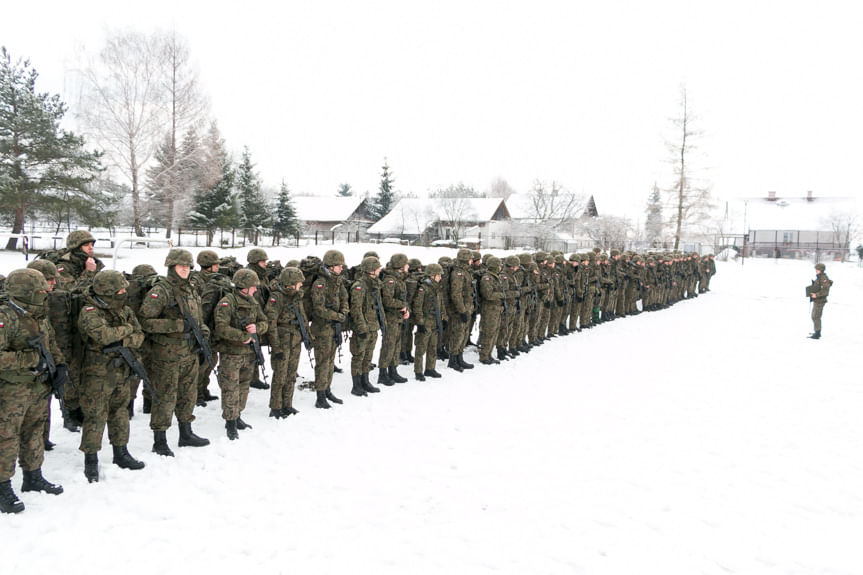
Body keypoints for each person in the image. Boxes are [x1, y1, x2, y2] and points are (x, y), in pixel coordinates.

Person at [0, 269, 67, 514]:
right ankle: (3, 486)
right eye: (40, 290)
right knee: (6, 437)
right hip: (12, 390)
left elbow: (50, 344)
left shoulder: (38, 315)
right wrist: (27, 358)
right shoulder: (5, 317)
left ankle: (33, 475)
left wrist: (59, 365)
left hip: (39, 385)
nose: (46, 293)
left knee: (35, 430)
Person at [138, 248, 210, 456]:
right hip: (167, 354)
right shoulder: (161, 291)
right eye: (181, 266)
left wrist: (203, 332)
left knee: (188, 394)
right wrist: (176, 326)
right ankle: (159, 440)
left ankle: (185, 433)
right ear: (171, 267)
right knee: (165, 396)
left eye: (188, 267)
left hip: (190, 350)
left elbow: (197, 319)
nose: (185, 270)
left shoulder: (191, 289)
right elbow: (145, 321)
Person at [77, 270, 147, 482]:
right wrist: (126, 331)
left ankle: (121, 452)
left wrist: (123, 338)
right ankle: (91, 460)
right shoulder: (90, 311)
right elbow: (104, 336)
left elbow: (139, 336)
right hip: (97, 374)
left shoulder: (124, 310)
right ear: (108, 291)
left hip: (121, 370)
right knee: (96, 416)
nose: (124, 292)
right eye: (120, 289)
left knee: (120, 412)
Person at [213, 269, 269, 439]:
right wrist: (242, 336)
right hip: (231, 354)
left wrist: (257, 328)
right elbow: (221, 327)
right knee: (230, 388)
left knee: (244, 385)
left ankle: (238, 416)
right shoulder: (227, 303)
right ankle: (230, 422)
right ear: (244, 287)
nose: (256, 290)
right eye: (253, 287)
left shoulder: (252, 302)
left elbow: (264, 321)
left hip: (249, 353)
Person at [265, 267, 309, 417]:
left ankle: (287, 404)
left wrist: (307, 336)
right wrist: (276, 347)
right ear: (290, 283)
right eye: (298, 282)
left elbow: (303, 317)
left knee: (291, 374)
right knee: (280, 375)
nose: (301, 285)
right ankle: (276, 407)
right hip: (282, 341)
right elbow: (271, 324)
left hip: (295, 339)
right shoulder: (276, 298)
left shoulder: (296, 297)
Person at [309, 250, 349, 409]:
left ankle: (327, 390)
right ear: (331, 267)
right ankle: (320, 395)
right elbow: (318, 308)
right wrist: (337, 316)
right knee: (322, 363)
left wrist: (344, 312)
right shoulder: (320, 283)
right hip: (322, 329)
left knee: (331, 361)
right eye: (339, 266)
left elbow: (345, 298)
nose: (341, 268)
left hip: (334, 328)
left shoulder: (337, 281)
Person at [348, 257, 384, 394]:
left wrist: (382, 324)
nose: (380, 270)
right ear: (371, 270)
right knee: (359, 356)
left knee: (368, 356)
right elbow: (356, 309)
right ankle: (356, 385)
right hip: (363, 328)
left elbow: (379, 307)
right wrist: (362, 328)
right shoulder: (360, 286)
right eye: (377, 268)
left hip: (373, 326)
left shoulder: (375, 284)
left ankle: (365, 381)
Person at [412, 263, 447, 380]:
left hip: (435, 321)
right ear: (432, 276)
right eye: (438, 275)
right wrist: (420, 322)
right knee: (421, 347)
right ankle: (418, 371)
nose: (440, 278)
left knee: (433, 346)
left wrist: (444, 318)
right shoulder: (423, 289)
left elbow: (441, 305)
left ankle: (430, 368)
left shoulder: (437, 288)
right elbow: (417, 307)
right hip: (426, 321)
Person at [807, 262, 833, 339]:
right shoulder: (819, 277)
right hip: (817, 300)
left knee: (816, 316)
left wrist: (816, 295)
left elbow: (825, 291)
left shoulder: (824, 278)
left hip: (820, 300)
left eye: (817, 269)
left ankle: (817, 333)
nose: (816, 270)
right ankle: (816, 331)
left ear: (821, 270)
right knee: (814, 316)